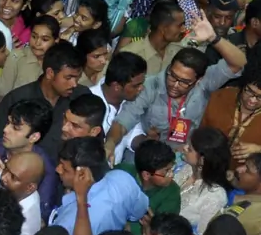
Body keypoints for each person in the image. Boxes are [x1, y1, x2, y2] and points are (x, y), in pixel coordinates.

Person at [104, 14, 247, 161]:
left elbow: (239, 63)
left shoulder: (206, 82)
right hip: (151, 152)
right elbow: (122, 123)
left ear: (199, 79)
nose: (175, 85)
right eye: (172, 76)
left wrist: (213, 38)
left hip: (187, 155)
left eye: (184, 82)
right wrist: (109, 144)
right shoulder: (150, 86)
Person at [51, 137, 149, 235]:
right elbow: (139, 211)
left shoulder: (68, 222)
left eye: (64, 168)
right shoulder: (123, 179)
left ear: (82, 175)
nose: (57, 169)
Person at [0, 41, 86, 162]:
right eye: (68, 78)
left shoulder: (81, 97)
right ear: (50, 73)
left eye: (77, 77)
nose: (74, 84)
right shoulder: (18, 98)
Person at [201, 45, 261, 167]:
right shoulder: (219, 97)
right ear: (243, 84)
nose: (252, 100)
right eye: (249, 91)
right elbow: (198, 133)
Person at [0, 99, 56, 221]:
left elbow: (39, 216)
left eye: (15, 128)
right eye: (8, 123)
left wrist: (4, 182)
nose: (5, 130)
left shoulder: (44, 170)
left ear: (34, 137)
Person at [88, 50, 148, 164]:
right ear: (116, 86)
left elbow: (133, 136)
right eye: (136, 86)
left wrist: (149, 142)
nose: (141, 89)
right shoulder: (89, 103)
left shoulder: (132, 102)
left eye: (142, 83)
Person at [116, 139, 181, 235]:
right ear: (146, 175)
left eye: (172, 169)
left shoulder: (172, 192)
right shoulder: (122, 172)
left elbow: (162, 232)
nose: (171, 175)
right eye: (166, 171)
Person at [174, 127, 231, 235]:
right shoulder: (186, 167)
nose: (184, 148)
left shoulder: (215, 196)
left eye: (189, 149)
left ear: (202, 160)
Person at [0, 152, 45, 235]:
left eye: (13, 177)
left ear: (30, 187)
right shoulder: (6, 178)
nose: (3, 177)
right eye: (5, 169)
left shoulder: (26, 223)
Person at [0, 15, 60, 98]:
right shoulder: (16, 57)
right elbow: (4, 94)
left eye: (44, 39)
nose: (37, 43)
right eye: (34, 37)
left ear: (56, 40)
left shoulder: (60, 62)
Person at [121, 0, 185, 76]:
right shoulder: (130, 55)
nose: (183, 29)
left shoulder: (179, 50)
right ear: (163, 28)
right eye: (180, 25)